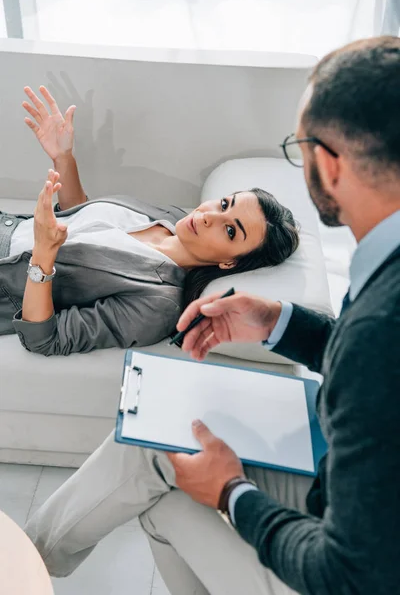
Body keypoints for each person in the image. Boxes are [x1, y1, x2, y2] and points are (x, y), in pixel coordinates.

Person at [25, 35, 400, 595]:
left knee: (169, 494)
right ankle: (26, 563)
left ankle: (22, 566)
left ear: (326, 162)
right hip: (344, 492)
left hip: (345, 565)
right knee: (158, 455)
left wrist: (232, 493)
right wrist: (278, 320)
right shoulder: (383, 270)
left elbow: (350, 573)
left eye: (298, 146)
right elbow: (369, 364)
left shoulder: (381, 319)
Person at [0, 87, 299, 356]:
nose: (209, 217)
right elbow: (82, 224)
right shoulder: (171, 219)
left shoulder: (159, 305)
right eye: (224, 204)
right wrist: (64, 157)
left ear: (230, 263)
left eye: (231, 231)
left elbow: (45, 339)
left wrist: (43, 253)